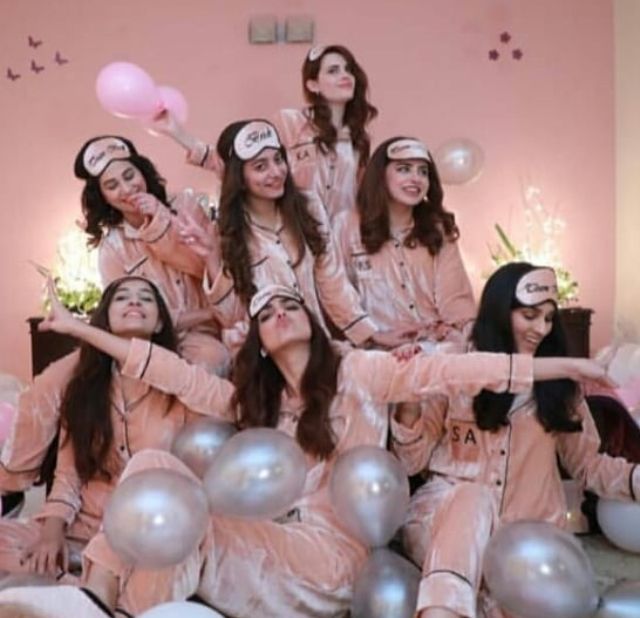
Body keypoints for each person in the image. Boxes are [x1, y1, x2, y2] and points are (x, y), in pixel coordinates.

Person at [0, 281, 612, 618]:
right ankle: (98, 601)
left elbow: (463, 371)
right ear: (261, 342)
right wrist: (82, 329)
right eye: (268, 313)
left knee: (193, 526)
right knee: (154, 467)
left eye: (293, 305)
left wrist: (570, 363)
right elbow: (166, 371)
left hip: (332, 560)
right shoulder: (250, 401)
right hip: (262, 545)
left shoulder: (362, 373)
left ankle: (113, 609)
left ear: (313, 324)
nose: (282, 314)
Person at [390, 263, 640, 618]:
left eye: (549, 318)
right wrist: (410, 401)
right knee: (472, 499)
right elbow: (411, 461)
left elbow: (589, 464)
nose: (541, 328)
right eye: (529, 315)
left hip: (529, 541)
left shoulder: (560, 385)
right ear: (500, 310)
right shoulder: (457, 367)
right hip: (445, 522)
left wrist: (635, 480)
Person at [0, 276, 235, 580]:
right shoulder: (84, 389)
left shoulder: (183, 382)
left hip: (149, 530)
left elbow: (226, 406)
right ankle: (83, 574)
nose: (135, 301)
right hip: (83, 529)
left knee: (175, 557)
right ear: (106, 321)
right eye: (122, 297)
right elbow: (69, 476)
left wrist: (78, 328)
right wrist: (51, 532)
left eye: (146, 298)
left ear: (161, 323)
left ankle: (92, 579)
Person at [177, 119, 403, 352]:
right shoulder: (226, 232)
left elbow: (332, 282)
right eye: (260, 167)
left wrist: (370, 333)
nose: (276, 172)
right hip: (267, 359)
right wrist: (212, 258)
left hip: (319, 349)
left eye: (278, 159)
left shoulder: (309, 208)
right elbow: (233, 318)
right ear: (239, 177)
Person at [155, 44, 376, 221]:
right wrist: (178, 133)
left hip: (342, 248)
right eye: (333, 71)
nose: (345, 75)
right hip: (297, 236)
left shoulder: (358, 138)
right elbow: (239, 163)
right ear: (312, 85)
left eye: (348, 69)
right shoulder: (291, 123)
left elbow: (362, 199)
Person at [74, 135, 230, 374]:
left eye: (129, 176)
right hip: (150, 342)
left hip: (207, 337)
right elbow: (124, 317)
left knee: (211, 361)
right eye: (112, 185)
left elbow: (205, 266)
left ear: (143, 172)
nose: (126, 189)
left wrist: (160, 221)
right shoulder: (113, 248)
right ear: (102, 196)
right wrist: (206, 313)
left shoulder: (185, 205)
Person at [334, 137, 476, 354]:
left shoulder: (437, 228)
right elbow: (336, 291)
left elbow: (456, 301)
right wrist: (372, 334)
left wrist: (451, 341)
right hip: (375, 356)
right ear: (381, 175)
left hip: (435, 351)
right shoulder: (347, 226)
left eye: (423, 171)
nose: (415, 178)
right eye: (404, 169)